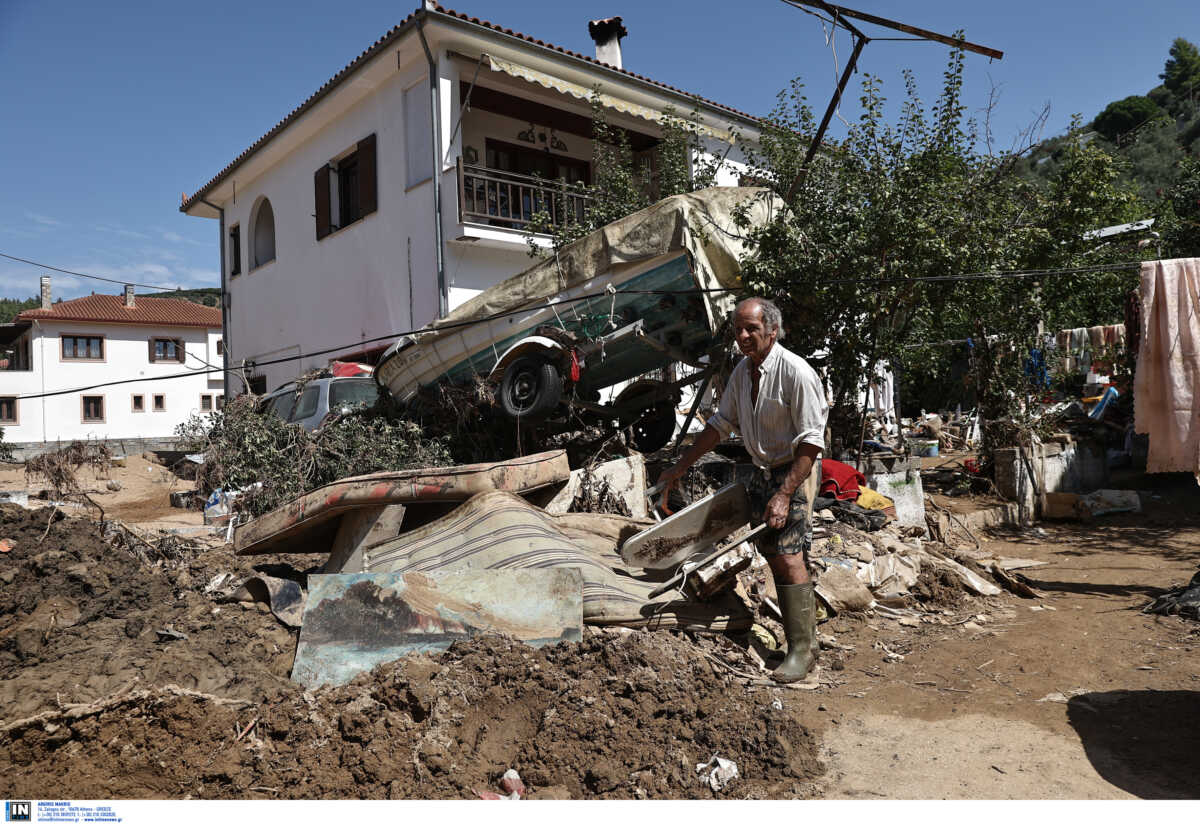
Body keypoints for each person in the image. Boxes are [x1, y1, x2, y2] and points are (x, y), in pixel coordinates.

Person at [658, 297, 828, 682]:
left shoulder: (796, 373)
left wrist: (785, 494)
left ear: (772, 330)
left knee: (789, 555)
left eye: (751, 328)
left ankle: (803, 651)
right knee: (772, 551)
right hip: (762, 470)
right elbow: (720, 425)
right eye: (738, 329)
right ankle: (801, 640)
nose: (743, 336)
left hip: (794, 471)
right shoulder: (742, 372)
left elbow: (811, 443)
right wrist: (680, 466)